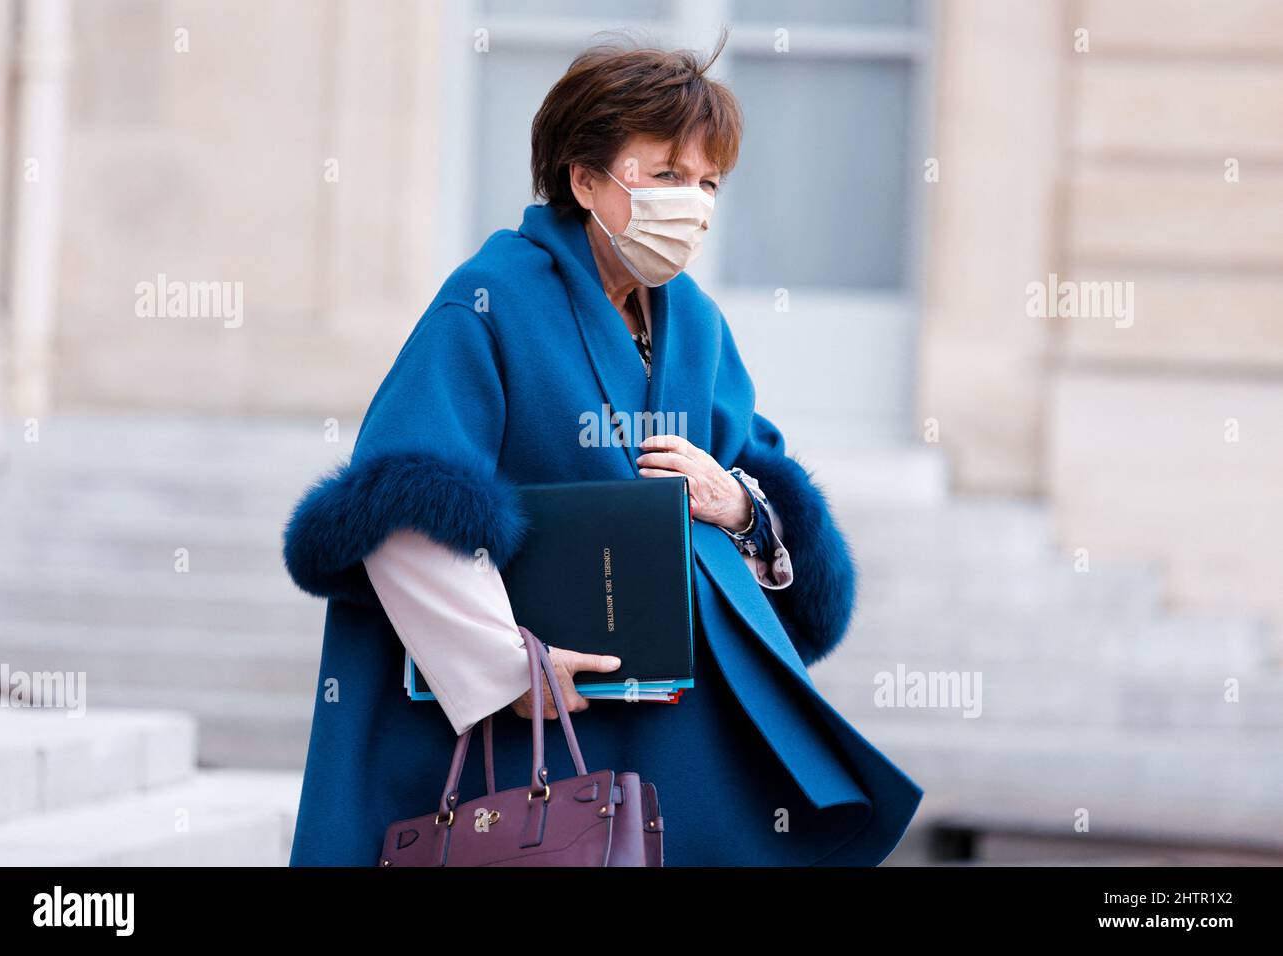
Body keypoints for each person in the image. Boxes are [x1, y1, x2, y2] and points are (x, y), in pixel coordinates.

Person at [282, 28, 923, 866]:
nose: (691, 202)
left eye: (707, 182)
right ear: (585, 180)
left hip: (675, 732)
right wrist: (508, 669)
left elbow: (759, 483)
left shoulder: (695, 322)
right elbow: (405, 499)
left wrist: (740, 506)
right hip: (525, 731)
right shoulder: (488, 299)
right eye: (665, 176)